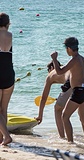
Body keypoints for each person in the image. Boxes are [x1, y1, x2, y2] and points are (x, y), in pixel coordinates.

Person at [51, 37, 84, 145]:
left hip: (79, 91)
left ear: (68, 48)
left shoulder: (74, 59)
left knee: (65, 116)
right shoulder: (82, 58)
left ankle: (70, 143)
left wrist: (54, 59)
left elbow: (59, 72)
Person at [36, 60, 84, 139]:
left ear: (51, 68)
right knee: (82, 115)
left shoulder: (51, 74)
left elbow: (44, 98)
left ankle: (63, 137)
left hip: (70, 81)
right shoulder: (66, 69)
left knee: (58, 109)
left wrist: (40, 115)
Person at [0, 13, 14, 145]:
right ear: (7, 23)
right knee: (3, 109)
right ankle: (2, 138)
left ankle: (6, 136)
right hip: (9, 74)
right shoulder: (10, 35)